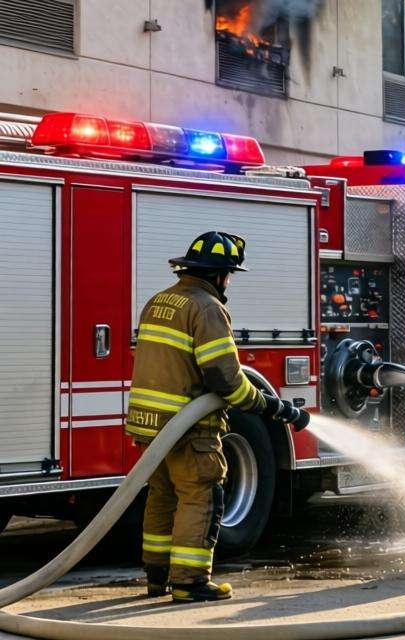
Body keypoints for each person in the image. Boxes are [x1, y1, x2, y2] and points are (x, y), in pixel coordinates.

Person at [125, 231, 308, 603]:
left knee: (162, 496)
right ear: (219, 275)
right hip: (188, 427)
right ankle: (190, 582)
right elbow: (225, 378)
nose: (228, 283)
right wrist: (271, 406)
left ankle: (157, 578)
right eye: (229, 275)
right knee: (201, 495)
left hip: (150, 424)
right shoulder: (207, 308)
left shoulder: (159, 301)